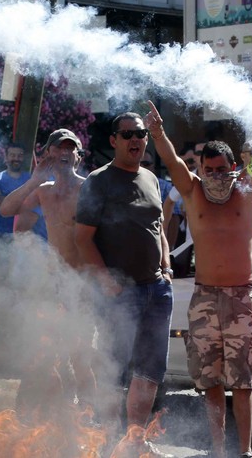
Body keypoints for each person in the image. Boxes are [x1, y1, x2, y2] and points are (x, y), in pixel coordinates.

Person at [147, 93, 252, 457]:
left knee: (244, 381)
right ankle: (219, 450)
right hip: (204, 298)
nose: (214, 176)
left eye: (221, 169)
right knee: (210, 381)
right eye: (208, 169)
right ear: (200, 169)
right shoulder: (192, 191)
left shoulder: (246, 191)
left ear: (233, 168)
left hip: (240, 299)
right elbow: (169, 158)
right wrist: (156, 132)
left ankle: (243, 451)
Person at [74, 111, 173, 455]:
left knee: (149, 370)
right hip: (120, 293)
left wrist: (166, 265)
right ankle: (106, 444)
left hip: (156, 290)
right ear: (113, 140)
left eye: (141, 133)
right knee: (114, 371)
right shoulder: (98, 181)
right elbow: (82, 238)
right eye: (127, 133)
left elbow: (158, 227)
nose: (135, 139)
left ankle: (134, 442)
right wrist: (105, 279)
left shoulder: (150, 178)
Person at [0, 128, 97, 419]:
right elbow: (7, 211)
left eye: (71, 149)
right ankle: (43, 415)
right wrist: (35, 179)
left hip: (83, 285)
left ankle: (87, 418)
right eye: (59, 148)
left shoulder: (89, 188)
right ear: (49, 155)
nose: (65, 153)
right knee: (44, 353)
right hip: (54, 286)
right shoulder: (43, 192)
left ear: (79, 157)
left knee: (80, 357)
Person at [0, 143, 30, 239]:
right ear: (6, 158)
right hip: (2, 236)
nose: (16, 158)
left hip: (25, 236)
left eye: (20, 156)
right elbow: (2, 205)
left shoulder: (30, 179)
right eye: (12, 155)